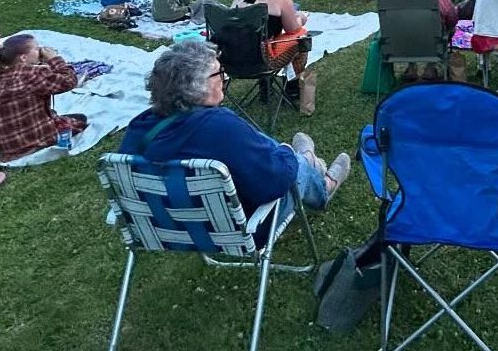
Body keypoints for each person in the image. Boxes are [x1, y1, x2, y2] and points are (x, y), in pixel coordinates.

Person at [120, 40, 350, 222]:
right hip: (237, 225)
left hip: (167, 226)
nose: (225, 78)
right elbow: (275, 182)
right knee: (293, 165)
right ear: (196, 85)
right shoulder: (219, 127)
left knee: (257, 142)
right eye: (219, 73)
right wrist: (289, 155)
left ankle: (305, 159)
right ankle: (321, 181)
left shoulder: (139, 128)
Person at [0, 34, 85, 160]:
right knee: (80, 119)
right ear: (23, 58)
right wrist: (55, 59)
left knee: (67, 118)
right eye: (36, 49)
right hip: (27, 139)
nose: (40, 50)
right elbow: (69, 81)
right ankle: (31, 146)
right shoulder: (30, 74)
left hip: (0, 143)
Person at [231, 0, 310, 103]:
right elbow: (292, 29)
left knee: (260, 41)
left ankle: (265, 88)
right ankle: (293, 88)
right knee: (302, 36)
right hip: (263, 60)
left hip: (232, 58)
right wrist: (300, 17)